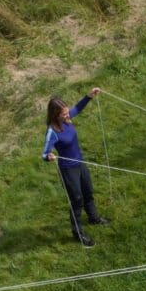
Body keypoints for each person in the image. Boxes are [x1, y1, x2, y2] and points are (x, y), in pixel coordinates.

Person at [42, 87, 109, 247]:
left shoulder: (66, 118)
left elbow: (77, 108)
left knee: (88, 192)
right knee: (77, 200)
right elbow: (44, 153)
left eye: (67, 112)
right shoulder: (52, 131)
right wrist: (49, 156)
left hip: (80, 163)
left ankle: (93, 218)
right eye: (64, 114)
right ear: (55, 115)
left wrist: (89, 96)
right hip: (68, 169)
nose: (68, 115)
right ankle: (77, 233)